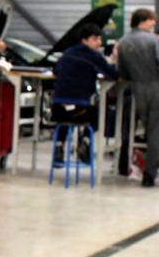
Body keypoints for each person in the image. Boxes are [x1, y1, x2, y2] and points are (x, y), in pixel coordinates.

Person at [117, 8, 159, 187]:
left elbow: (121, 71)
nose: (154, 24)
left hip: (138, 89)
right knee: (157, 131)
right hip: (158, 88)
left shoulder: (123, 42)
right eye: (152, 20)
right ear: (143, 21)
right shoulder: (153, 40)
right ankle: (152, 173)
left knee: (153, 131)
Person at [50, 23, 118, 160]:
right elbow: (112, 75)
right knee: (100, 113)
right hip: (81, 110)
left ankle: (59, 145)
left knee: (64, 118)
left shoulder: (67, 53)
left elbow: (56, 71)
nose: (99, 43)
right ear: (85, 40)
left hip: (57, 109)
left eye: (100, 39)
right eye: (95, 39)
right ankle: (85, 142)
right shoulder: (94, 56)